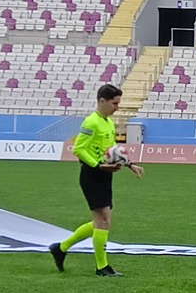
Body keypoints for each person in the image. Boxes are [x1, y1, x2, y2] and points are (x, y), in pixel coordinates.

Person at [50, 80, 142, 276]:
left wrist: (130, 164)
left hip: (104, 174)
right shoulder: (91, 122)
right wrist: (98, 165)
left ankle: (61, 247)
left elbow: (111, 151)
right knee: (104, 220)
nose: (117, 108)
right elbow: (78, 148)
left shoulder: (108, 122)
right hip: (92, 175)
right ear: (102, 100)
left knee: (101, 222)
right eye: (114, 103)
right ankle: (102, 267)